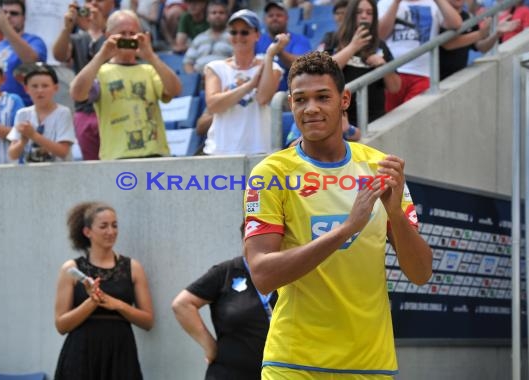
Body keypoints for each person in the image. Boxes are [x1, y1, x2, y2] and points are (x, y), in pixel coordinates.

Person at [244, 51, 433, 379]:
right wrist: (347, 229)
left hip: (371, 362)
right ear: (290, 104)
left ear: (344, 100)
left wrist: (396, 215)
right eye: (300, 99)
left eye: (322, 97)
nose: (311, 108)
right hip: (294, 362)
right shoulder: (270, 173)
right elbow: (262, 274)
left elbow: (420, 273)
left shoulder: (380, 167)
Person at [54, 202, 154, 380]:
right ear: (87, 232)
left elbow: (147, 321)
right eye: (104, 226)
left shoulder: (133, 267)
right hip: (81, 353)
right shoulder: (71, 269)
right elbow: (61, 325)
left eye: (115, 225)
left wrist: (118, 305)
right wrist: (92, 302)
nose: (111, 231)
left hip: (120, 353)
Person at [70, 10, 182, 160]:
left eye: (133, 33)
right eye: (122, 33)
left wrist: (151, 56)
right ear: (109, 35)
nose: (128, 38)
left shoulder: (149, 70)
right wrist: (102, 55)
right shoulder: (100, 72)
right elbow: (77, 94)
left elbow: (175, 90)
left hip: (155, 156)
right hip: (117, 158)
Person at [171, 223, 277, 380]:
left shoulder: (284, 273)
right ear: (245, 240)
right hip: (229, 373)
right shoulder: (227, 271)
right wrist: (210, 347)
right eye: (256, 238)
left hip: (276, 373)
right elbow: (182, 304)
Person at [203, 10, 283, 155]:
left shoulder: (272, 66)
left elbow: (263, 98)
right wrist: (250, 85)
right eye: (233, 32)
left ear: (257, 35)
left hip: (258, 148)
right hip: (221, 150)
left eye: (244, 32)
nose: (238, 36)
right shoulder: (215, 67)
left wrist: (270, 54)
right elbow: (213, 105)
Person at [53, 0, 116, 160]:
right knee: (93, 166)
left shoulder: (120, 31)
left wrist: (98, 29)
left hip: (113, 108)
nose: (93, 4)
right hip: (84, 111)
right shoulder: (77, 38)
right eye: (88, 1)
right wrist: (67, 27)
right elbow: (59, 55)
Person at [378, 0, 462, 111]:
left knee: (414, 120)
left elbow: (456, 23)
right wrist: (396, 3)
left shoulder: (433, 4)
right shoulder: (386, 3)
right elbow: (380, 34)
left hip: (422, 75)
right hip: (392, 74)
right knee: (388, 120)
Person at [333, 0, 401, 126]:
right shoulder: (333, 39)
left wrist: (383, 66)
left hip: (375, 121)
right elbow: (325, 70)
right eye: (359, 12)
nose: (364, 16)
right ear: (351, 15)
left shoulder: (380, 45)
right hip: (341, 121)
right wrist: (353, 47)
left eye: (369, 13)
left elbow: (395, 87)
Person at [7, 63, 75, 162]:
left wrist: (33, 135)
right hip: (31, 174)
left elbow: (63, 151)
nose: (40, 90)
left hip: (60, 174)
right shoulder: (22, 114)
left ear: (55, 88)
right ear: (26, 89)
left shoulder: (63, 112)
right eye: (34, 86)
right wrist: (22, 141)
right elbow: (12, 154)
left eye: (45, 86)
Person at [439, 0, 520, 80]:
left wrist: (496, 34)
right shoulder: (438, 14)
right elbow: (448, 44)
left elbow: (481, 47)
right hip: (438, 80)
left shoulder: (468, 16)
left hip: (458, 78)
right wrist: (480, 34)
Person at [0, 0, 48, 106]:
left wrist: (6, 27)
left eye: (14, 13)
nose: (8, 16)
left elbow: (31, 61)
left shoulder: (35, 41)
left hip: (25, 107)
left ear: (24, 18)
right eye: (4, 13)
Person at [255, 1, 311, 92]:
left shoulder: (299, 40)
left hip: (289, 93)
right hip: (260, 91)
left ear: (287, 18)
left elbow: (302, 66)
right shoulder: (257, 40)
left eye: (279, 15)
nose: (275, 18)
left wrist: (279, 50)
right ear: (265, 20)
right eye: (271, 16)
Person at [182, 0, 233, 74]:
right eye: (213, 13)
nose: (217, 15)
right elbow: (188, 63)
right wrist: (193, 78)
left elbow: (237, 62)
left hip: (224, 79)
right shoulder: (199, 38)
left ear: (227, 17)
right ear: (207, 17)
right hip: (199, 80)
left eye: (221, 13)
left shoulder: (234, 37)